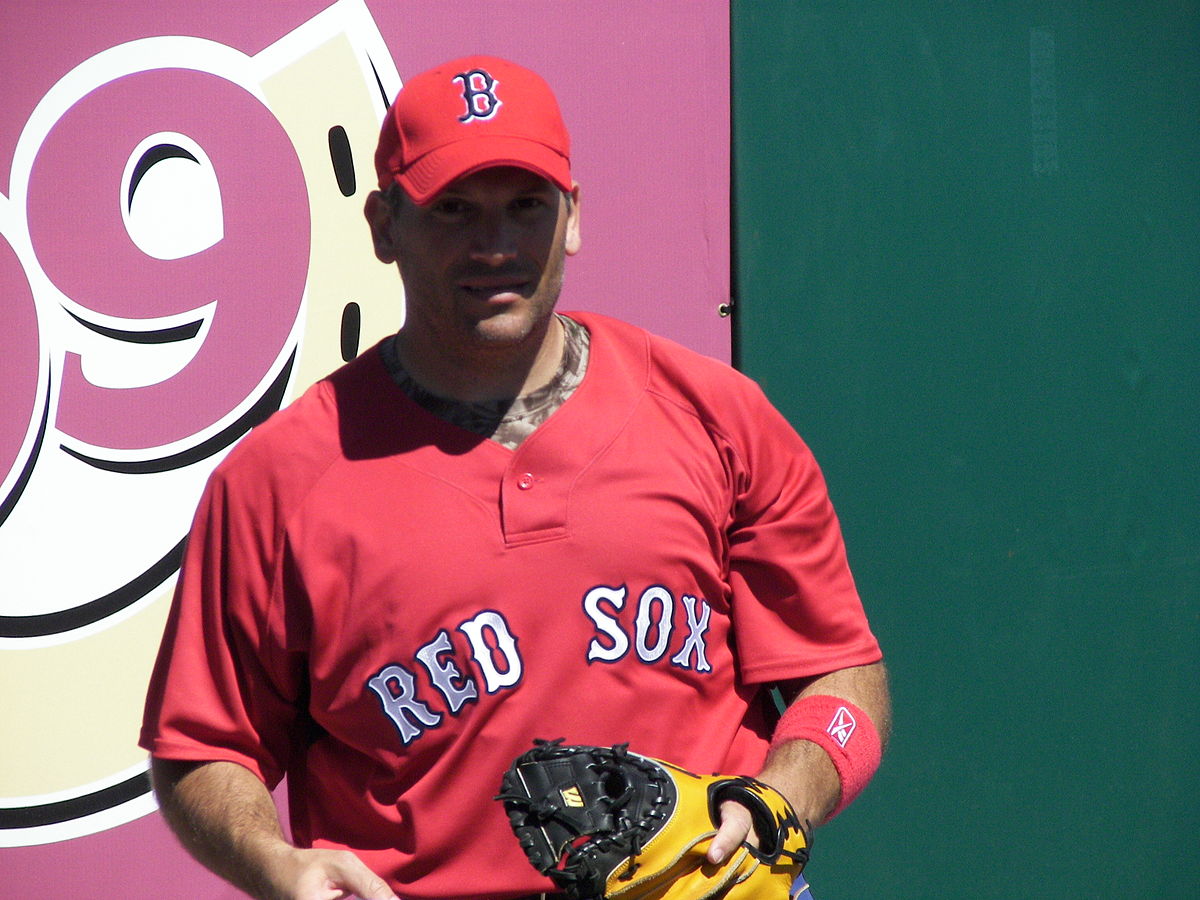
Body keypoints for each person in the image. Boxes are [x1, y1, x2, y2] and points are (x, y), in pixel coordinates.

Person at [140, 55, 891, 900]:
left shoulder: (719, 417)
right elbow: (205, 747)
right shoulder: (280, 479)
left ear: (572, 216)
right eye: (453, 209)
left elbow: (840, 674)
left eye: (525, 206)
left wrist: (781, 799)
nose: (494, 245)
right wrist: (272, 862)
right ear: (386, 226)